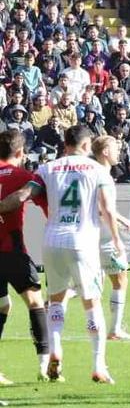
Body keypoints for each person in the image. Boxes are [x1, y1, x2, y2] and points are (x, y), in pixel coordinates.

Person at [0, 125, 123, 383]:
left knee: (55, 301)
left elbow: (22, 195)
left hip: (52, 241)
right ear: (87, 145)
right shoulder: (98, 170)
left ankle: (55, 351)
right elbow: (107, 210)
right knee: (91, 303)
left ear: (65, 143)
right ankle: (99, 365)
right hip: (82, 241)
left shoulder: (47, 169)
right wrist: (117, 240)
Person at [0, 129, 50, 384]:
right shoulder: (23, 176)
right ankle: (44, 365)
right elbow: (46, 205)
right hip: (11, 250)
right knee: (35, 301)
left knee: (3, 305)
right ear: (20, 153)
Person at [91, 136, 130, 340]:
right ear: (105, 152)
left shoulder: (92, 172)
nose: (119, 152)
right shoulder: (103, 176)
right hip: (105, 238)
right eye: (115, 148)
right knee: (120, 279)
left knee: (93, 284)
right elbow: (104, 209)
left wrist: (123, 220)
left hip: (92, 236)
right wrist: (118, 235)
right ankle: (115, 329)